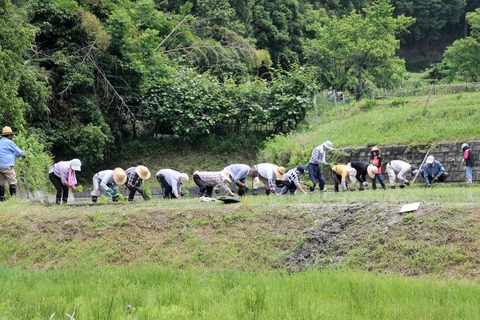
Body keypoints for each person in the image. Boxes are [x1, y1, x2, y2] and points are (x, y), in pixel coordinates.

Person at [0, 126, 26, 201]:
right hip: (7, 165)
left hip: (0, 166)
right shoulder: (9, 142)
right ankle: (13, 199)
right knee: (13, 181)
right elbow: (17, 151)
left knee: (1, 182)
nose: (12, 136)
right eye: (12, 135)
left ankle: (1, 199)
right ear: (9, 135)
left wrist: (19, 154)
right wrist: (23, 154)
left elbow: (13, 153)